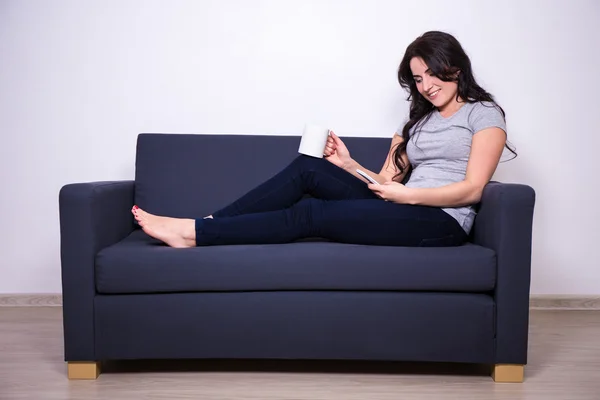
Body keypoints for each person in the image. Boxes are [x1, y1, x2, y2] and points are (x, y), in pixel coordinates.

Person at [132, 30, 515, 248]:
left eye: (433, 74)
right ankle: (210, 221)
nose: (426, 86)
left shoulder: (484, 114)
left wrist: (409, 195)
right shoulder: (417, 118)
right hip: (402, 205)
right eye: (417, 79)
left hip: (440, 221)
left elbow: (473, 189)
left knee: (311, 214)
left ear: (455, 66)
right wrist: (348, 164)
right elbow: (386, 183)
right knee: (309, 167)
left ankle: (194, 233)